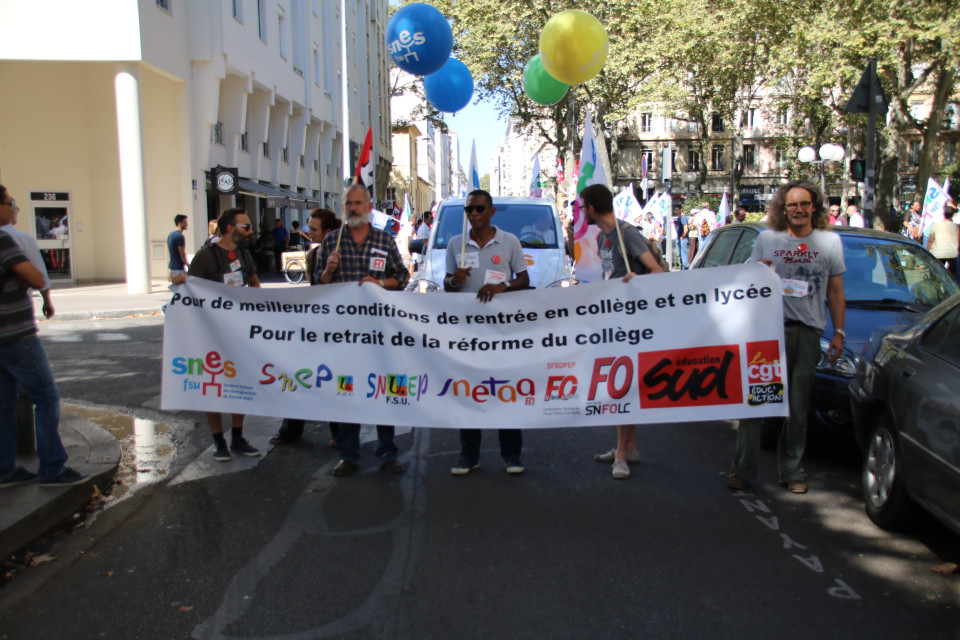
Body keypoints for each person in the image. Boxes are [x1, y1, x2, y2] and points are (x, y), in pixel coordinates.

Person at [727, 180, 846, 495]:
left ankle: (792, 470)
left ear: (814, 208)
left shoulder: (830, 242)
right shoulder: (767, 240)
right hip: (767, 333)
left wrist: (839, 332)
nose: (798, 209)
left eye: (804, 204)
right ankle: (743, 469)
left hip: (806, 334)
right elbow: (746, 283)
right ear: (783, 208)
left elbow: (835, 291)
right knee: (757, 404)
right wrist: (759, 271)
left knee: (796, 406)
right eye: (792, 204)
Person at [317, 184, 409, 476]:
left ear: (369, 207)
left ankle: (387, 452)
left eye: (358, 203)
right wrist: (329, 271)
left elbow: (402, 277)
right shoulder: (332, 241)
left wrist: (379, 283)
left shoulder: (384, 240)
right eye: (348, 203)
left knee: (384, 390)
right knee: (347, 392)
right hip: (344, 335)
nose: (353, 208)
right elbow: (319, 287)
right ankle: (348, 454)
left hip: (380, 332)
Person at [0, 185, 88, 488]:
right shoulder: (5, 239)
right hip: (16, 333)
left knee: (4, 403)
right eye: (10, 203)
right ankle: (52, 467)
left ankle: (4, 469)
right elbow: (37, 277)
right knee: (47, 398)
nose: (12, 209)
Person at [580, 184, 664, 480]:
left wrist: (636, 282)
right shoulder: (605, 236)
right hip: (615, 319)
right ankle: (630, 447)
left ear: (591, 208)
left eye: (582, 208)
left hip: (631, 323)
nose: (581, 213)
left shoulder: (627, 234)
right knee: (622, 383)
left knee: (620, 384)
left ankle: (620, 454)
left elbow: (657, 272)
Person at [444, 189, 530, 475]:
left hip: (502, 333)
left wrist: (501, 287)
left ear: (491, 211)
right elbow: (446, 285)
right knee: (468, 392)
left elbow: (524, 279)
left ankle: (512, 455)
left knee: (505, 390)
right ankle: (468, 456)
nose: (474, 214)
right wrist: (455, 280)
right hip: (467, 335)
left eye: (480, 209)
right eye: (469, 210)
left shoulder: (510, 242)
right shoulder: (457, 244)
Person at [179, 208, 262, 462]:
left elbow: (255, 284)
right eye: (246, 227)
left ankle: (237, 437)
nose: (250, 231)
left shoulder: (245, 255)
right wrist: (179, 279)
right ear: (230, 228)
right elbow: (189, 290)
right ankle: (219, 441)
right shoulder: (206, 257)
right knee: (212, 386)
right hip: (211, 334)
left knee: (240, 384)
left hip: (239, 331)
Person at [271, 208, 344, 446]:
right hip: (315, 326)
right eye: (308, 227)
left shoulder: (345, 255)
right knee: (299, 377)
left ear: (329, 232)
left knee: (334, 381)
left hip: (338, 328)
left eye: (313, 229)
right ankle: (291, 429)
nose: (308, 232)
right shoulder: (313, 256)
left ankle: (338, 432)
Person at [1, 202, 54, 319]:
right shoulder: (22, 238)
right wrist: (47, 301)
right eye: (14, 207)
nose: (17, 211)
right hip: (16, 311)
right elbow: (41, 278)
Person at [926, 209, 959, 280]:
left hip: (939, 253)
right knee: (954, 275)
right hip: (953, 253)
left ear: (943, 214)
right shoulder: (956, 226)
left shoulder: (935, 226)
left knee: (936, 274)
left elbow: (930, 241)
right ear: (953, 215)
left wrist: (927, 251)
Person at [167, 214, 189, 282]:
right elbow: (182, 253)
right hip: (178, 267)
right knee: (181, 288)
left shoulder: (171, 234)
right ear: (179, 223)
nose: (187, 224)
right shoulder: (179, 236)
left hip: (173, 266)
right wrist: (188, 264)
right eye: (185, 222)